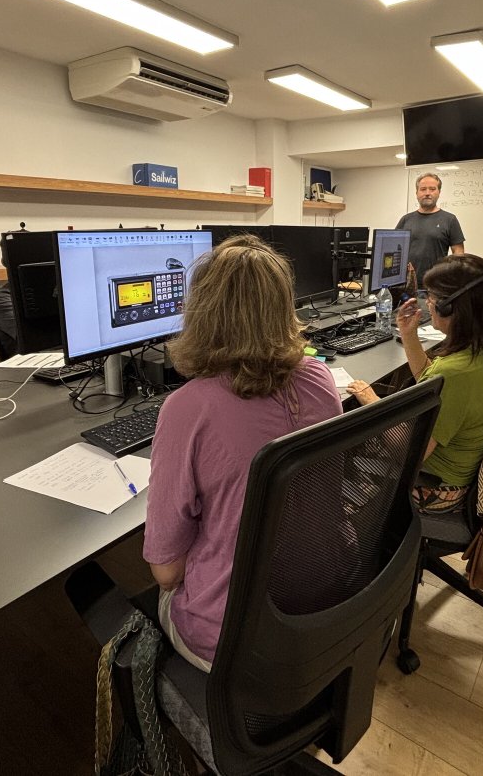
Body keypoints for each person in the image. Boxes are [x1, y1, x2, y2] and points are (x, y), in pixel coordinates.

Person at [143, 234, 342, 671]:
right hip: (320, 604)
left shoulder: (187, 408)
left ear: (201, 312)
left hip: (232, 640)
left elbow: (166, 573)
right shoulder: (319, 378)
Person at [347, 255, 483, 513]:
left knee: (338, 449)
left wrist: (373, 402)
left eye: (432, 298)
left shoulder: (457, 372)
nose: (427, 304)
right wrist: (409, 335)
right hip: (459, 470)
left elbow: (409, 450)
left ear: (451, 308)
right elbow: (432, 388)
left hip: (436, 487)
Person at [395, 173, 465, 278]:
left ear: (439, 192)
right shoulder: (406, 219)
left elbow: (458, 252)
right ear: (417, 193)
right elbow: (394, 249)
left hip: (436, 283)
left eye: (432, 189)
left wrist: (452, 275)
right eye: (423, 189)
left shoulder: (450, 219)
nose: (427, 193)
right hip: (406, 283)